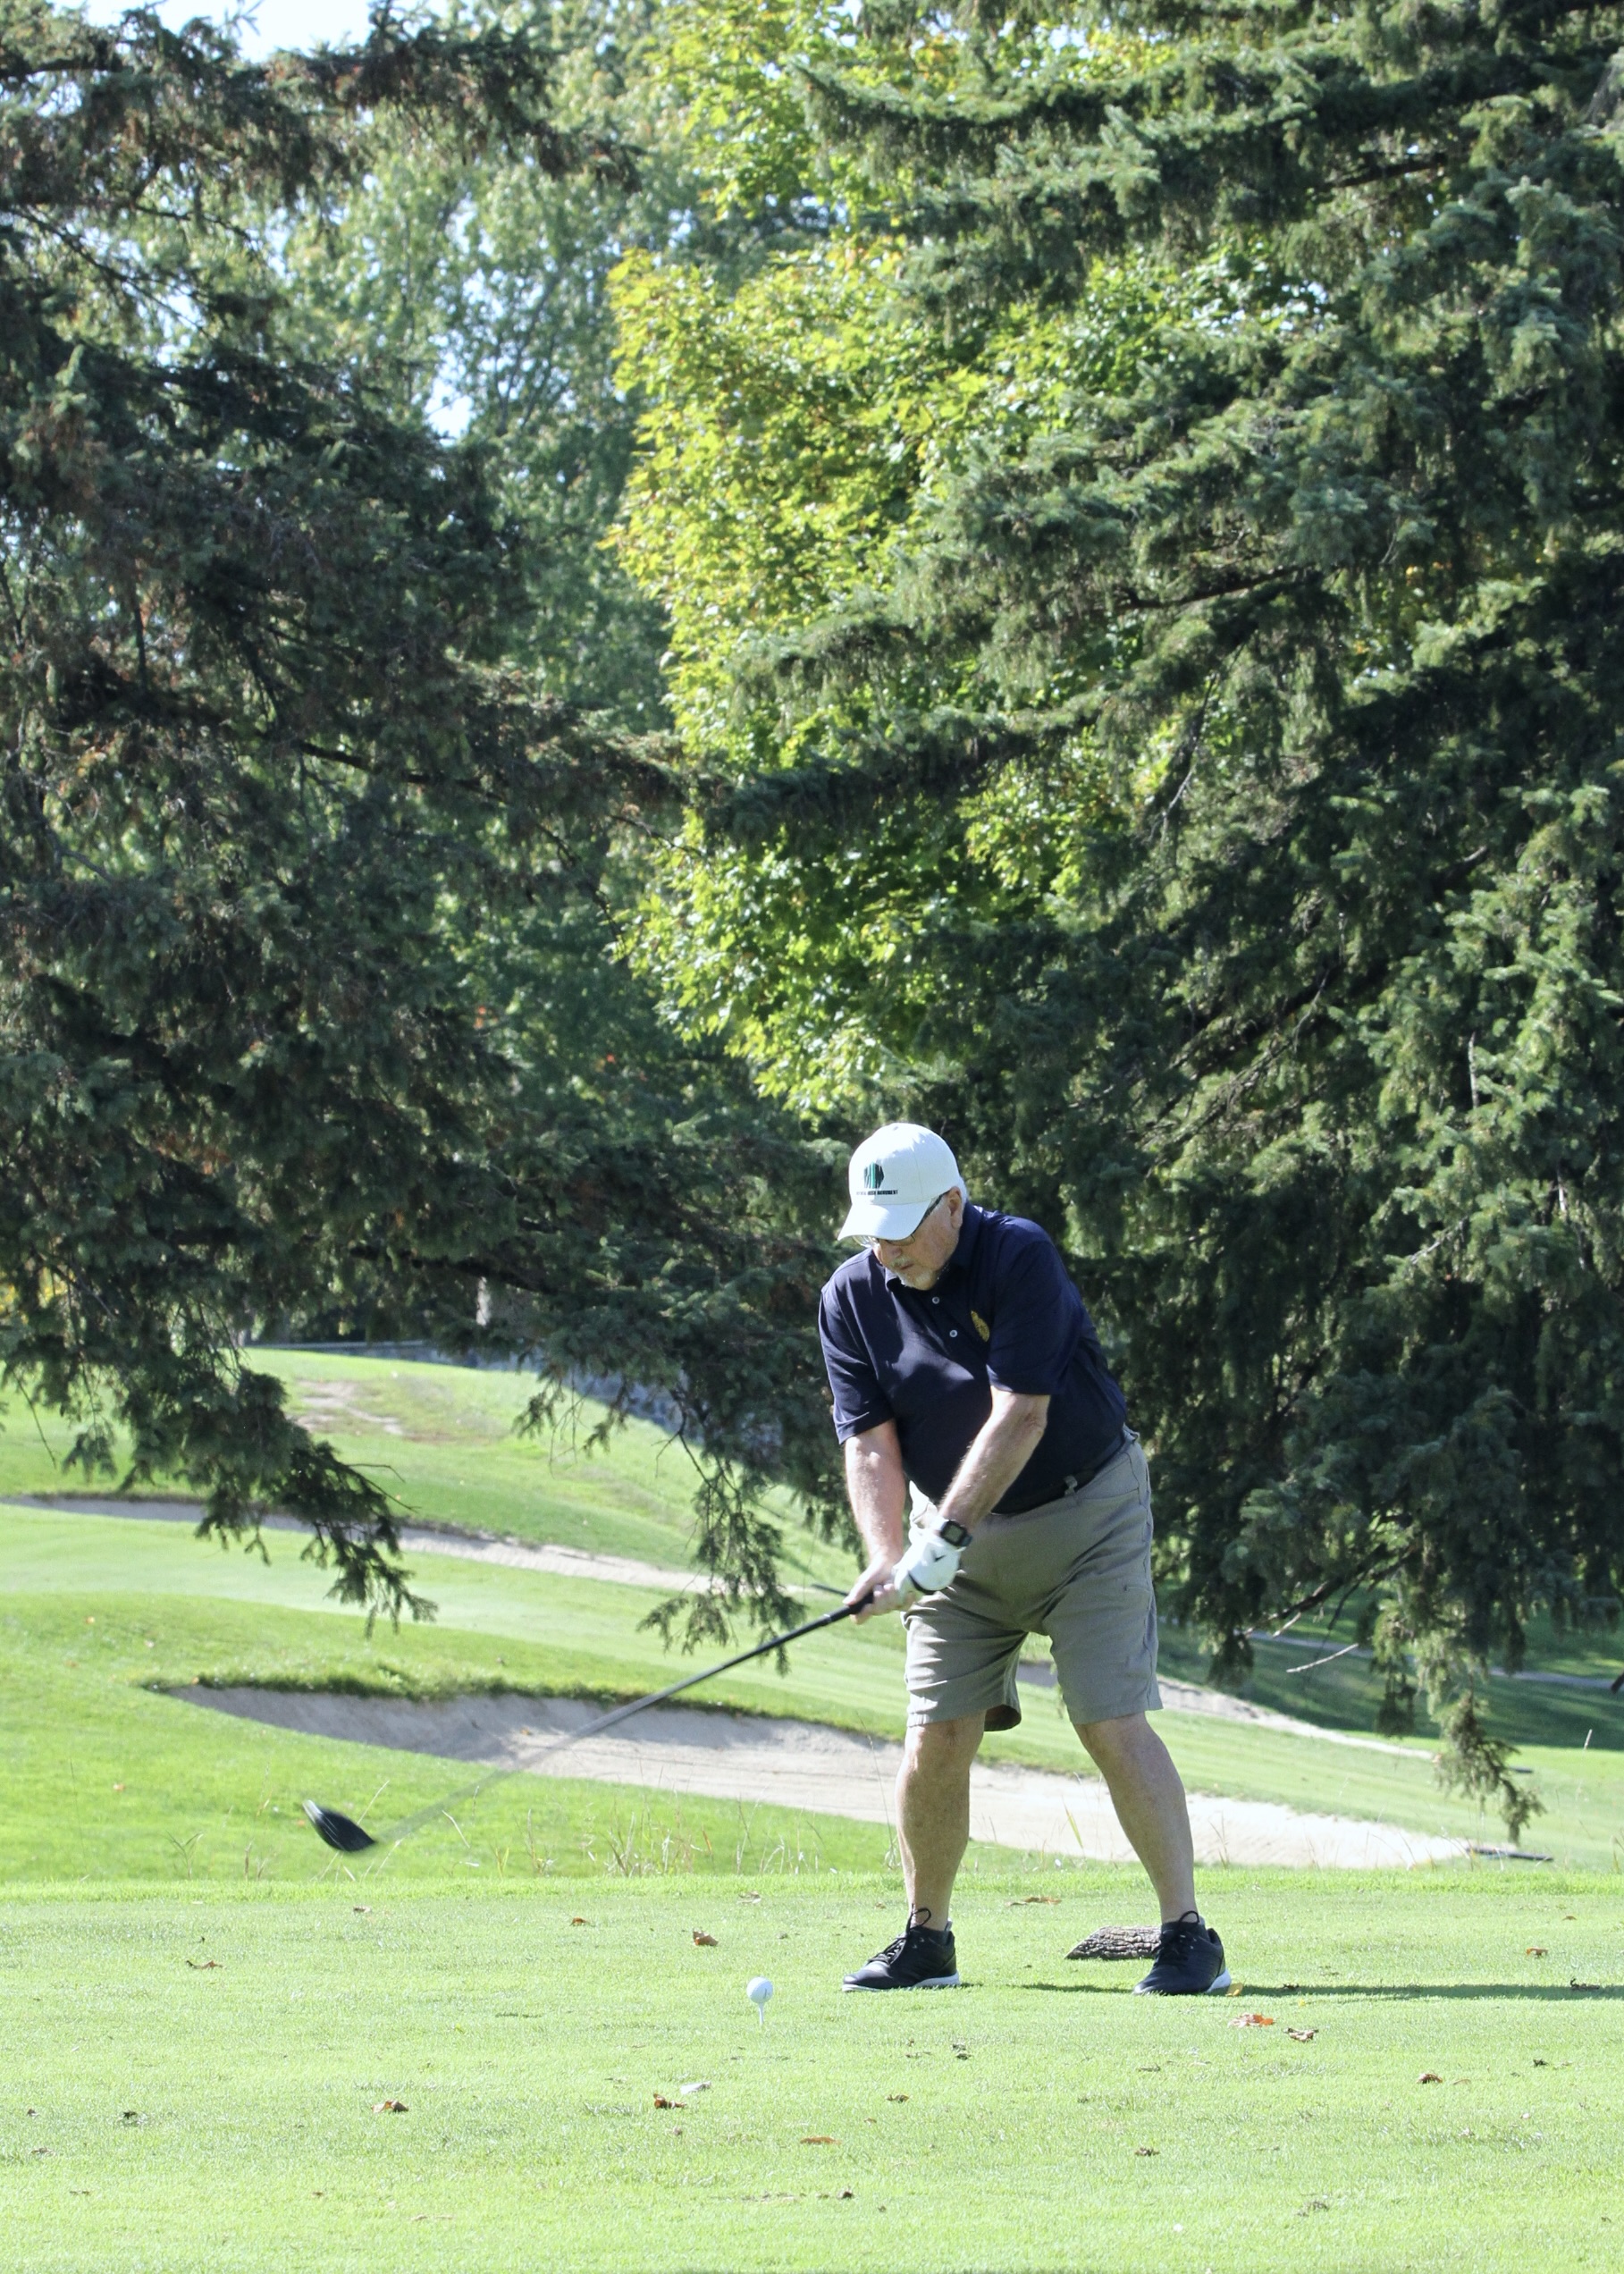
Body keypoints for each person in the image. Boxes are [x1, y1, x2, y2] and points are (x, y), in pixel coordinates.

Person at [819, 1122, 1229, 1996]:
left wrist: (940, 1542)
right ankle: (925, 1939)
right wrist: (887, 1558)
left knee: (1108, 1718)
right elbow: (869, 1444)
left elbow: (1020, 1415)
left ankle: (1186, 1935)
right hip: (952, 1541)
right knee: (935, 1732)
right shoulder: (850, 1297)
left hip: (1087, 1515)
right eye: (872, 1231)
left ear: (952, 1206)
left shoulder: (1017, 1256)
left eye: (901, 1228)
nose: (886, 1250)